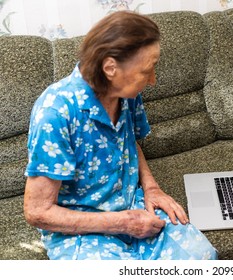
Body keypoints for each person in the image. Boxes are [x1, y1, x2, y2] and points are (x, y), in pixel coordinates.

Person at [23, 11, 218, 260]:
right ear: (110, 68)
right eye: (146, 71)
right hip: (80, 229)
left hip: (133, 205)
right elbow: (37, 212)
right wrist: (123, 223)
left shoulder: (126, 94)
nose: (153, 80)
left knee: (203, 257)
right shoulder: (55, 113)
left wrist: (152, 187)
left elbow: (129, 143)